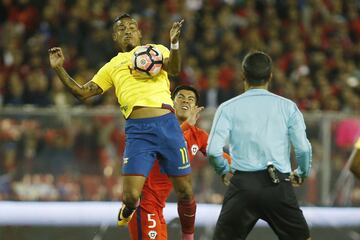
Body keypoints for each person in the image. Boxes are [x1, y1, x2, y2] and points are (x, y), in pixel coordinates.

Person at [48, 13, 197, 239]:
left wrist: (174, 43)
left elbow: (175, 69)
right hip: (138, 131)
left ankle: (188, 235)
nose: (127, 30)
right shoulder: (112, 66)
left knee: (186, 191)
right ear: (114, 37)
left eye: (132, 27)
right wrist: (59, 68)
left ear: (139, 33)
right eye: (121, 28)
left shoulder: (157, 50)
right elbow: (82, 92)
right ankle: (128, 209)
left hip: (167, 124)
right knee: (130, 197)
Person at [207, 51, 312, 240]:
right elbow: (303, 149)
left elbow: (213, 150)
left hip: (242, 186)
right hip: (278, 185)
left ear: (243, 76)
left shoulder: (228, 107)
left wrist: (223, 170)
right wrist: (301, 173)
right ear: (270, 76)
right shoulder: (287, 107)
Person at [128, 85, 231, 240]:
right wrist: (186, 125)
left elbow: (221, 156)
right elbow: (163, 144)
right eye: (181, 97)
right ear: (172, 103)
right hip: (143, 203)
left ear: (195, 108)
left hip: (158, 207)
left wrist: (244, 167)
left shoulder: (199, 136)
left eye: (191, 99)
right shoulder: (158, 125)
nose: (185, 101)